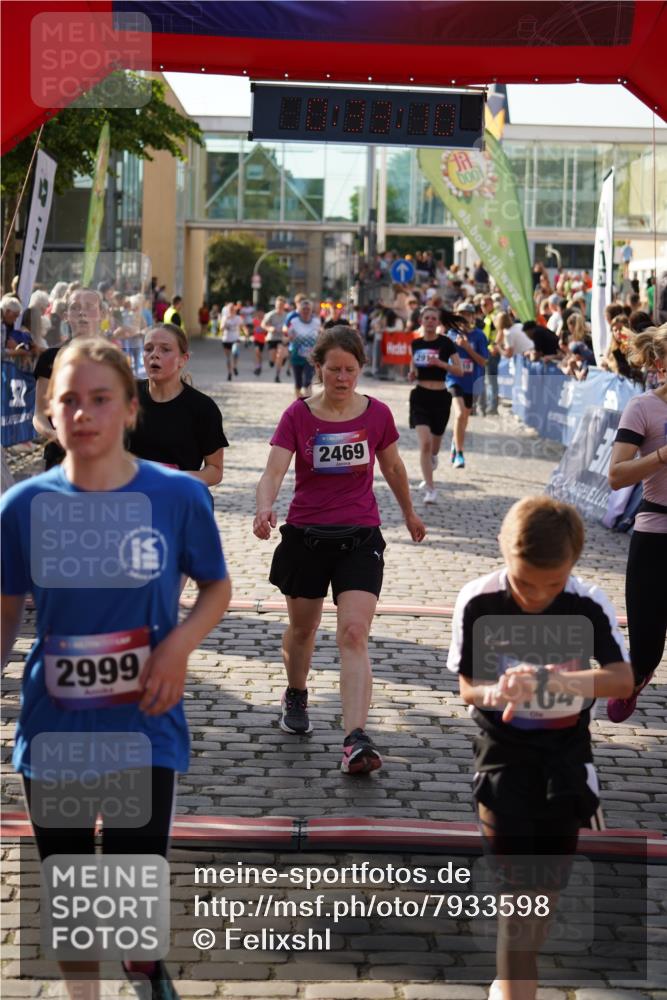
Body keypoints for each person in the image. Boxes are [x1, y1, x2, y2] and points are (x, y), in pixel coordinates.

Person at [1, 337, 231, 1000]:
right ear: (50, 407)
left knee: (129, 881)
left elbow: (216, 588)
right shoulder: (22, 508)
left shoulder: (177, 497)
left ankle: (138, 958)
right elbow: (5, 620)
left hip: (142, 718)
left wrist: (176, 647)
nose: (83, 412)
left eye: (100, 399)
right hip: (57, 725)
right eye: (69, 399)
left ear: (130, 410)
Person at [448, 496, 633, 1000]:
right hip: (501, 756)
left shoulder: (587, 602)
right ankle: (512, 986)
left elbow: (622, 679)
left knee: (543, 897)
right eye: (525, 581)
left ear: (573, 564)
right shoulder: (479, 599)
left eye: (552, 584)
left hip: (565, 760)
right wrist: (496, 691)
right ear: (504, 553)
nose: (536, 596)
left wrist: (556, 680)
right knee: (516, 901)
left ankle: (512, 974)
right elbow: (467, 685)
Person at [253, 326, 426, 774]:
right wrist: (265, 506)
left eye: (350, 370)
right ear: (319, 369)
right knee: (303, 631)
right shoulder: (298, 415)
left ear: (360, 370)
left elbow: (392, 466)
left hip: (360, 537)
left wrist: (409, 513)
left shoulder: (377, 414)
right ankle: (296, 691)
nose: (342, 378)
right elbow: (273, 470)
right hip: (307, 537)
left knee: (353, 632)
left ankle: (355, 739)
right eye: (333, 370)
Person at [607, 324, 667, 722]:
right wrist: (661, 456)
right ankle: (637, 674)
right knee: (647, 646)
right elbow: (617, 475)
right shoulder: (643, 408)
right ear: (661, 364)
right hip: (656, 536)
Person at [127, 324, 228, 489]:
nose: (154, 355)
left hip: (177, 500)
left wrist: (172, 478)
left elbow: (215, 471)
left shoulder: (203, 408)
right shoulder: (126, 396)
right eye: (148, 349)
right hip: (130, 501)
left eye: (165, 350)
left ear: (183, 359)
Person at [33, 288, 103, 469]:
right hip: (60, 458)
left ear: (101, 314)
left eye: (89, 307)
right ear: (66, 316)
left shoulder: (114, 360)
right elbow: (39, 414)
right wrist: (53, 435)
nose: (82, 312)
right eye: (75, 307)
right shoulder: (50, 358)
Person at [408, 305, 463, 504]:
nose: (430, 321)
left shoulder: (446, 343)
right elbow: (412, 368)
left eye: (433, 318)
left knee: (434, 446)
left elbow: (460, 370)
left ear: (438, 322)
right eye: (427, 318)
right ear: (421, 321)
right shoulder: (415, 344)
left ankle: (433, 457)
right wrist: (411, 374)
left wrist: (443, 365)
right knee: (424, 443)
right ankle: (430, 488)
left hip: (440, 397)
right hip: (420, 396)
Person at [445, 303, 488, 469]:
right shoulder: (451, 335)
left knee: (465, 418)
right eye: (460, 315)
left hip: (471, 381)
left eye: (467, 315)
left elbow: (483, 361)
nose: (463, 318)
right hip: (454, 379)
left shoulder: (479, 336)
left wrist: (467, 348)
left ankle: (456, 442)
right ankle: (459, 453)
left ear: (472, 317)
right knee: (459, 413)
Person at [285, 297, 321, 399]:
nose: (305, 311)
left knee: (308, 381)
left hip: (311, 357)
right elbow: (289, 335)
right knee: (298, 382)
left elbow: (320, 335)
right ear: (299, 311)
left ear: (311, 311)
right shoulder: (294, 321)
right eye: (303, 309)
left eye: (308, 309)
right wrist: (290, 338)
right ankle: (298, 403)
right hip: (297, 355)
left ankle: (308, 403)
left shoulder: (316, 322)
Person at [261, 295, 289, 382]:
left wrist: (287, 331)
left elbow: (291, 326)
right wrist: (269, 328)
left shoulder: (287, 316)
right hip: (272, 338)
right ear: (275, 305)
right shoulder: (270, 314)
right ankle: (272, 362)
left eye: (281, 305)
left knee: (280, 355)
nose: (279, 307)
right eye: (278, 305)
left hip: (282, 338)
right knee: (273, 358)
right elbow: (263, 324)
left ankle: (277, 375)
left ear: (284, 305)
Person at [221, 301, 245, 381]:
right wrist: (225, 322)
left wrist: (246, 334)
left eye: (232, 309)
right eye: (229, 309)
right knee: (228, 358)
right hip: (226, 339)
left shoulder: (238, 318)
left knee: (235, 353)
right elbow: (221, 329)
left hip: (235, 339)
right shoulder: (225, 318)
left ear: (235, 309)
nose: (231, 310)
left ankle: (235, 366)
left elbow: (242, 327)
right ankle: (229, 373)